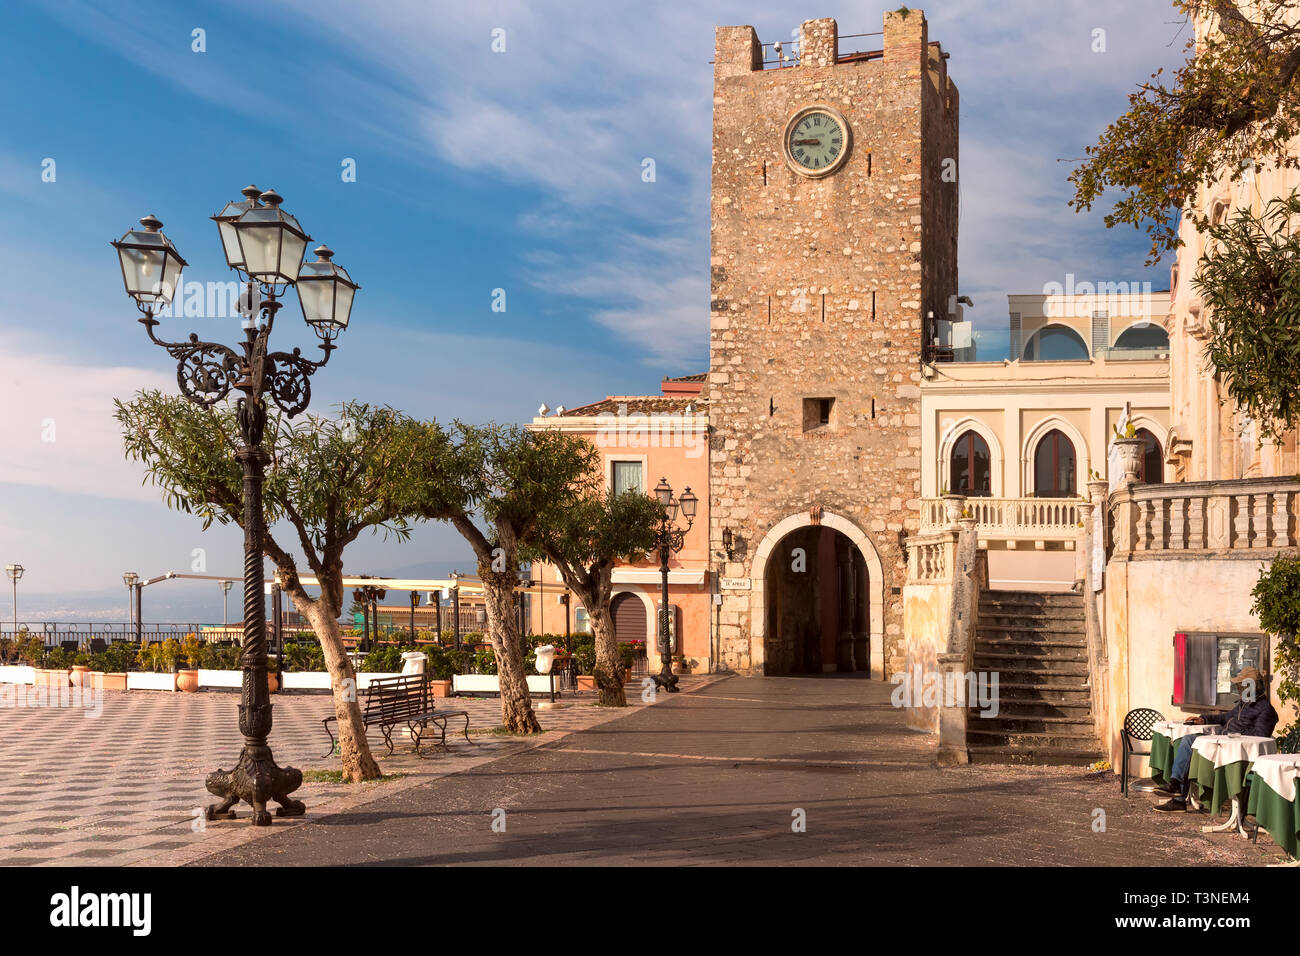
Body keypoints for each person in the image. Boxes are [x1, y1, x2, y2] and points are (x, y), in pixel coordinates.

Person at [1154, 667, 1278, 812]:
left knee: (1191, 746)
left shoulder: (1266, 710)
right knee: (1187, 740)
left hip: (1234, 753)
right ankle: (1175, 786)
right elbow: (1224, 718)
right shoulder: (1243, 704)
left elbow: (1259, 736)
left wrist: (1235, 732)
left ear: (1253, 686)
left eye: (1242, 685)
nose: (1239, 688)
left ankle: (1178, 797)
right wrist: (1203, 719)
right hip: (1221, 742)